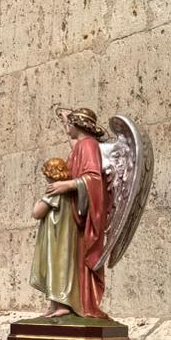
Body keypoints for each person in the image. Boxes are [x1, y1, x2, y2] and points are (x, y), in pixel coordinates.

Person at [35, 108, 109, 318]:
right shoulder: (81, 146)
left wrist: (67, 185)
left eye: (69, 125)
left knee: (65, 258)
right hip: (72, 215)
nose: (66, 128)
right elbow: (75, 156)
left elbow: (93, 178)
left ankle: (67, 302)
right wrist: (65, 119)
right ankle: (62, 302)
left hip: (79, 218)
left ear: (77, 126)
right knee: (61, 258)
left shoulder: (88, 145)